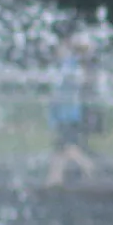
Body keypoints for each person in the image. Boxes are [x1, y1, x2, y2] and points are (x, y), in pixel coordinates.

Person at [45, 36, 98, 187]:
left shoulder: (71, 66)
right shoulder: (68, 66)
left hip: (67, 114)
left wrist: (76, 45)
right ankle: (54, 177)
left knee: (67, 146)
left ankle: (88, 165)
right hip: (63, 113)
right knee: (59, 147)